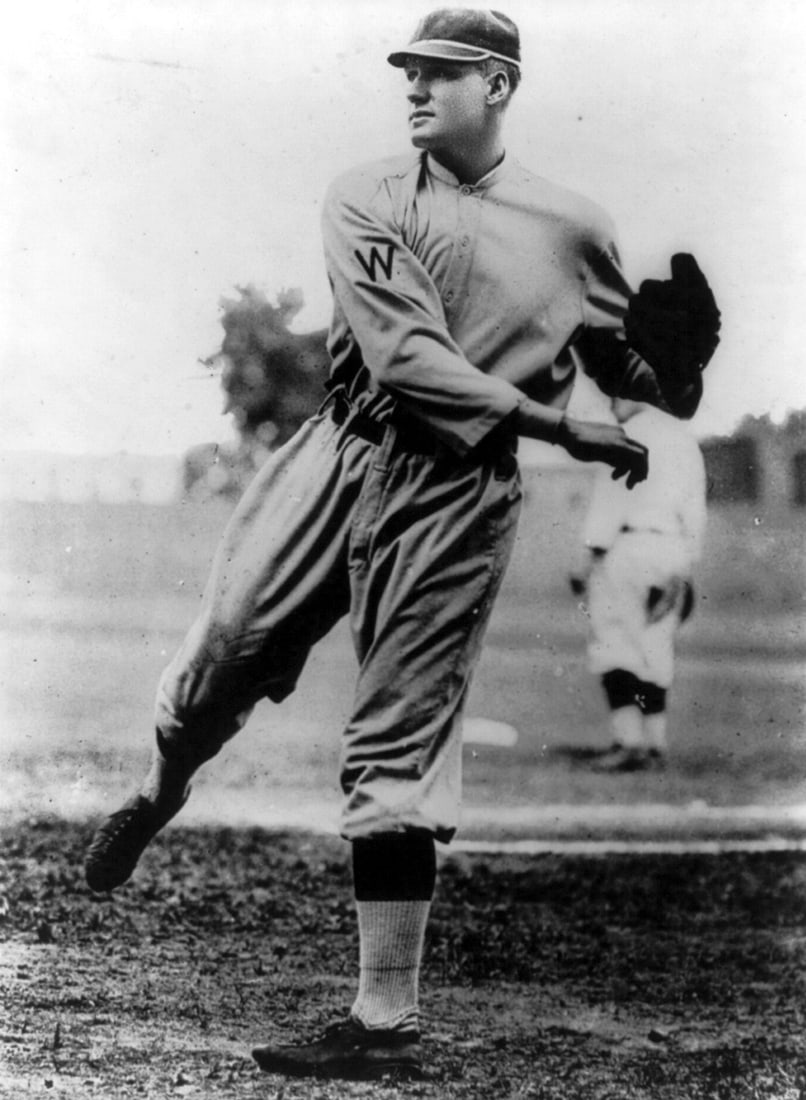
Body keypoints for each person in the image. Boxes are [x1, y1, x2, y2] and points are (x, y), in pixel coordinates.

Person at [84, 8, 715, 1082]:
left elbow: (632, 368)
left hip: (459, 491)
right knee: (210, 668)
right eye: (407, 73)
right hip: (342, 451)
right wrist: (565, 421)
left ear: (499, 85)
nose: (413, 88)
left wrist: (677, 371)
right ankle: (159, 785)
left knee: (395, 736)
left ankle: (383, 1017)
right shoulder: (365, 193)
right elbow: (408, 354)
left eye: (438, 72)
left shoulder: (570, 225)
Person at [569, 397, 707, 771]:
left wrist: (585, 563)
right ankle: (655, 744)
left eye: (616, 395)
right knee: (655, 646)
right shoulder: (683, 438)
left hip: (627, 548)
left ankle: (628, 741)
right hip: (672, 548)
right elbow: (696, 508)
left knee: (614, 642)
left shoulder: (625, 435)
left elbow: (609, 504)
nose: (611, 404)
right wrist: (688, 560)